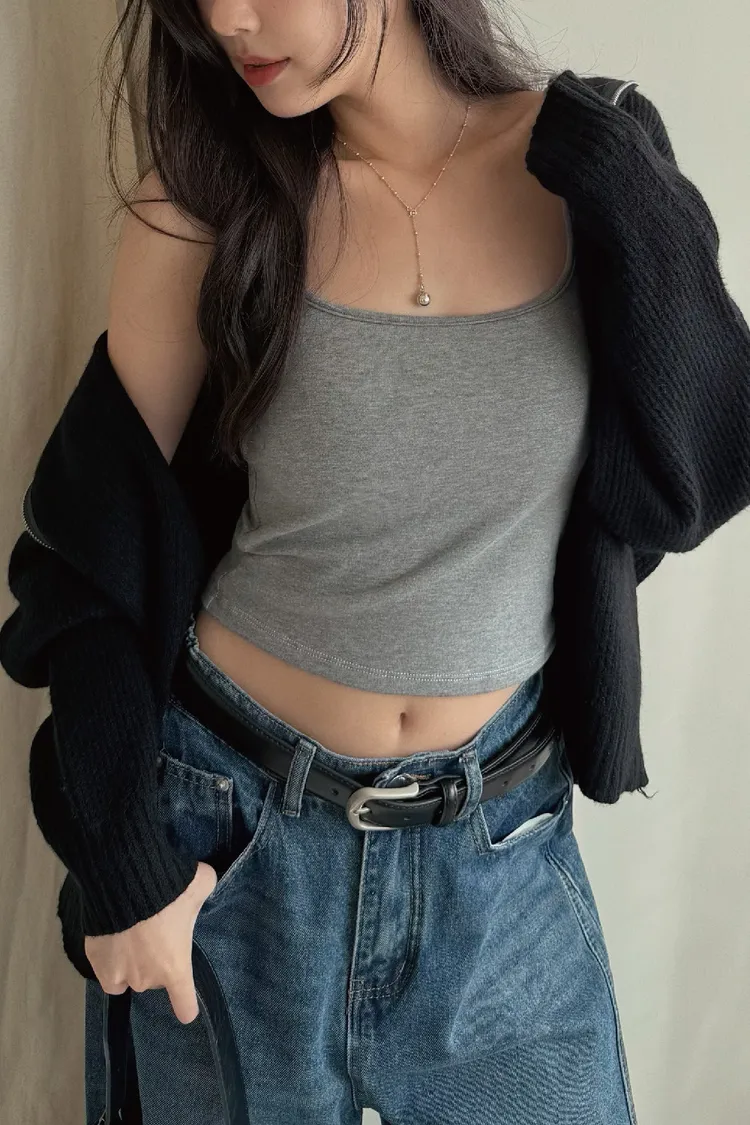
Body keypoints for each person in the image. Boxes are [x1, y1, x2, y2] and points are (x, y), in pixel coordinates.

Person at [2, 1, 749, 1123]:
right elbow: (84, 561)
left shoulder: (586, 169)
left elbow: (701, 466)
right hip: (233, 854)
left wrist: (633, 191)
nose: (228, 19)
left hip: (498, 863)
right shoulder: (206, 202)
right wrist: (123, 863)